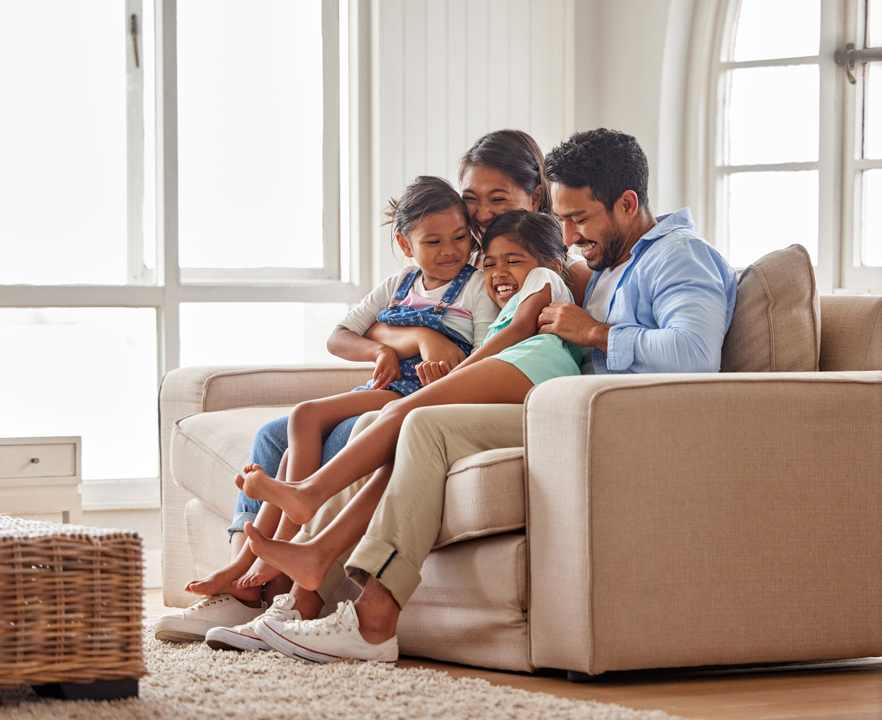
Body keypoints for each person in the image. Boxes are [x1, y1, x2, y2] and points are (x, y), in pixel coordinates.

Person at [221, 128, 738, 665]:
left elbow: (695, 354)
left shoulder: (678, 257)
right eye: (560, 220)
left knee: (420, 421)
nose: (568, 234)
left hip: (612, 422)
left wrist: (593, 332)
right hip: (562, 408)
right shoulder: (605, 262)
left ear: (628, 204)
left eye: (578, 220)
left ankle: (364, 617)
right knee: (406, 423)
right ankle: (312, 583)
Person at [153, 128, 588, 642]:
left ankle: (273, 578)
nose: (480, 217)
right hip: (422, 380)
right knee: (281, 432)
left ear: (535, 198)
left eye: (498, 200)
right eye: (473, 200)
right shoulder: (464, 258)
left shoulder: (518, 266)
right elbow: (370, 325)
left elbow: (509, 332)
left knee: (371, 428)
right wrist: (411, 338)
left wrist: (438, 351)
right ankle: (244, 584)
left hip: (452, 390)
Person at [181, 176, 499, 595]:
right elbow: (339, 336)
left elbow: (481, 356)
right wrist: (379, 352)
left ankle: (281, 548)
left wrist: (444, 374)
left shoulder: (475, 286)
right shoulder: (399, 284)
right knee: (288, 429)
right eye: (433, 242)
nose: (450, 250)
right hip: (379, 387)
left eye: (459, 237)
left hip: (409, 396)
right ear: (406, 245)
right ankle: (245, 562)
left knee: (304, 418)